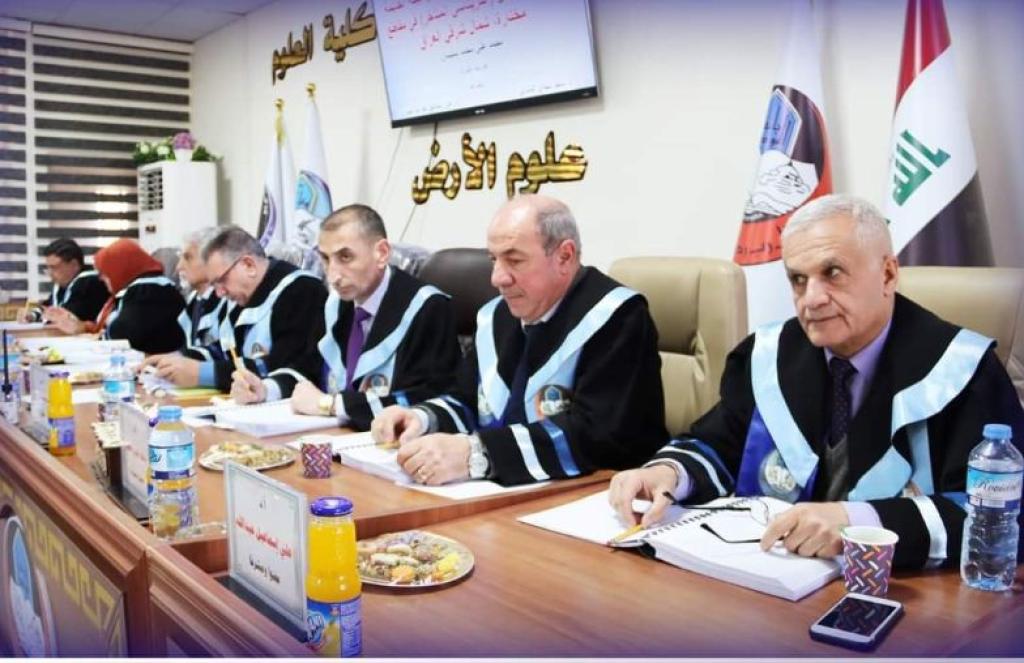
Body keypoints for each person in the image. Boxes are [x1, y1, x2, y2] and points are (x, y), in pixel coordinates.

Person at [609, 194, 1024, 570]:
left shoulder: (962, 371)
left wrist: (857, 523)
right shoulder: (769, 355)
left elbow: (1001, 515)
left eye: (833, 273)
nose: (811, 299)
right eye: (798, 279)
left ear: (887, 275)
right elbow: (719, 443)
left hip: (905, 595)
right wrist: (669, 472)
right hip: (772, 580)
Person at [371, 194, 667, 486]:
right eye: (494, 259)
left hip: (597, 493)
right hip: (508, 490)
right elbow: (467, 401)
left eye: (514, 260)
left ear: (564, 256)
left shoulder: (616, 317)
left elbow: (598, 436)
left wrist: (478, 454)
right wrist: (423, 419)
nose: (497, 278)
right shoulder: (497, 316)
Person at [230, 204, 460, 431]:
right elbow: (308, 368)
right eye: (325, 259)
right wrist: (265, 389)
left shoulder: (428, 307)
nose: (333, 276)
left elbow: (425, 399)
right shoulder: (336, 304)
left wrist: (331, 405)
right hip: (335, 437)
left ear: (381, 253)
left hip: (389, 445)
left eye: (345, 257)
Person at [143, 226, 327, 390]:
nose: (220, 293)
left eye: (221, 281)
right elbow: (224, 350)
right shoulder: (241, 297)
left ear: (249, 265)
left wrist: (204, 373)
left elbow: (284, 366)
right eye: (214, 285)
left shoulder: (301, 291)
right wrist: (177, 360)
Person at [49, 238, 186, 353]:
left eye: (104, 272)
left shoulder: (149, 291)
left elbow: (121, 335)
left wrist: (88, 332)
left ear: (120, 268)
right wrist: (83, 327)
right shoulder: (137, 289)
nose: (101, 279)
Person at [19, 238, 107, 324]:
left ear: (74, 265)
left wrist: (48, 316)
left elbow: (67, 317)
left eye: (54, 267)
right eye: (48, 268)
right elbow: (49, 306)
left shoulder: (90, 283)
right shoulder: (64, 284)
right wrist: (32, 315)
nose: (50, 273)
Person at [176, 227, 227, 351]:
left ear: (212, 259)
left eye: (188, 258)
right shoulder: (193, 299)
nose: (179, 267)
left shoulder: (227, 301)